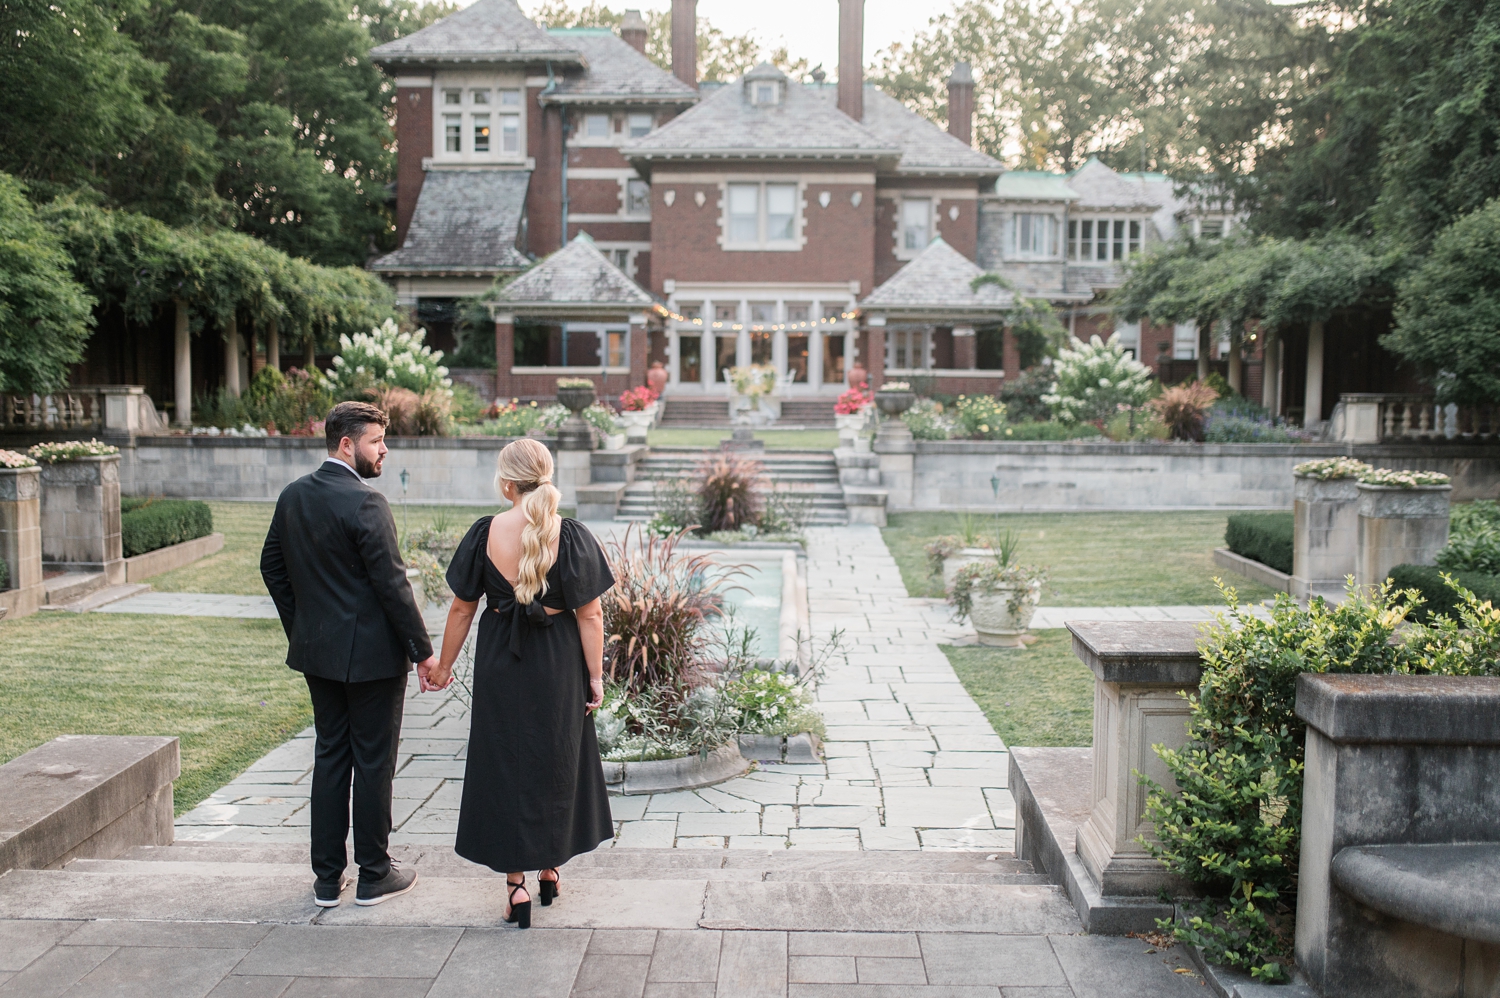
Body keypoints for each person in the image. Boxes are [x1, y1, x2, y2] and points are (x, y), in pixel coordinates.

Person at [426, 437, 615, 929]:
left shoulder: (485, 532)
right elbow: (590, 614)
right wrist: (594, 675)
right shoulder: (570, 534)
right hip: (557, 664)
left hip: (500, 664)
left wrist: (443, 667)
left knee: (505, 763)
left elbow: (463, 608)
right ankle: (551, 868)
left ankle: (517, 888)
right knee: (557, 757)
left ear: (507, 482)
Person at [260, 401, 441, 909]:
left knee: (331, 756)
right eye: (376, 441)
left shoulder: (293, 495)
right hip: (373, 662)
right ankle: (375, 875)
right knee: (374, 762)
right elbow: (392, 587)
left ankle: (326, 879)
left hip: (318, 655)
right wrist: (423, 654)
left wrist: (305, 628)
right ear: (347, 444)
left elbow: (271, 566)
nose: (384, 450)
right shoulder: (368, 503)